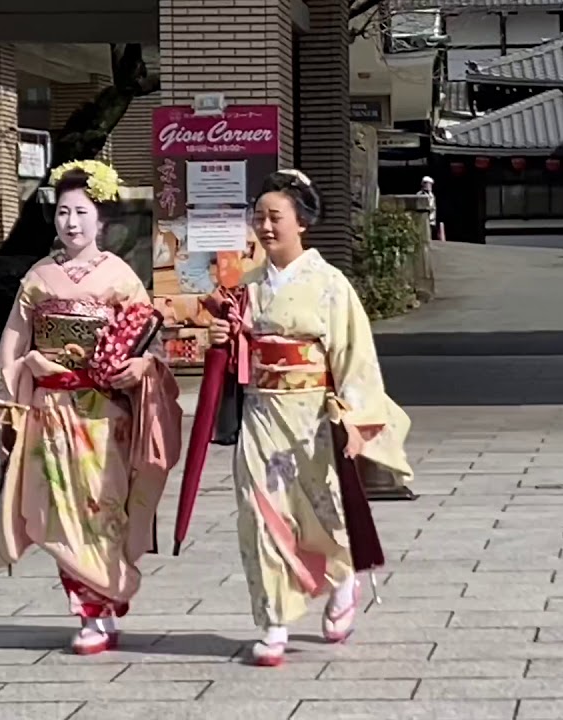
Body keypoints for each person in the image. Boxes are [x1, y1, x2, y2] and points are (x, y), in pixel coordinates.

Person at [209, 169, 414, 667]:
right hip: (261, 411)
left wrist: (355, 416)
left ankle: (343, 579)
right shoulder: (247, 284)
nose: (265, 226)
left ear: (302, 221)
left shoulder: (329, 284)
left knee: (321, 511)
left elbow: (354, 355)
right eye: (258, 217)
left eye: (275, 216)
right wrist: (224, 336)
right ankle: (275, 621)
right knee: (260, 513)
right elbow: (239, 343)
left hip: (311, 416)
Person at [0, 159, 182, 655]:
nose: (71, 223)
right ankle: (88, 610)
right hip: (51, 410)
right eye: (63, 213)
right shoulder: (38, 278)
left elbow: (149, 345)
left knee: (102, 505)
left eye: (81, 213)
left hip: (104, 415)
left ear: (102, 222)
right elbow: (13, 344)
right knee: (58, 510)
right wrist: (7, 404)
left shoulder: (121, 278)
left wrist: (140, 370)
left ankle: (106, 598)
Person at [417, 175, 438, 240]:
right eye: (428, 184)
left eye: (430, 185)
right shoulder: (420, 194)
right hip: (424, 219)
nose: (429, 186)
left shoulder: (432, 195)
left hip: (431, 219)